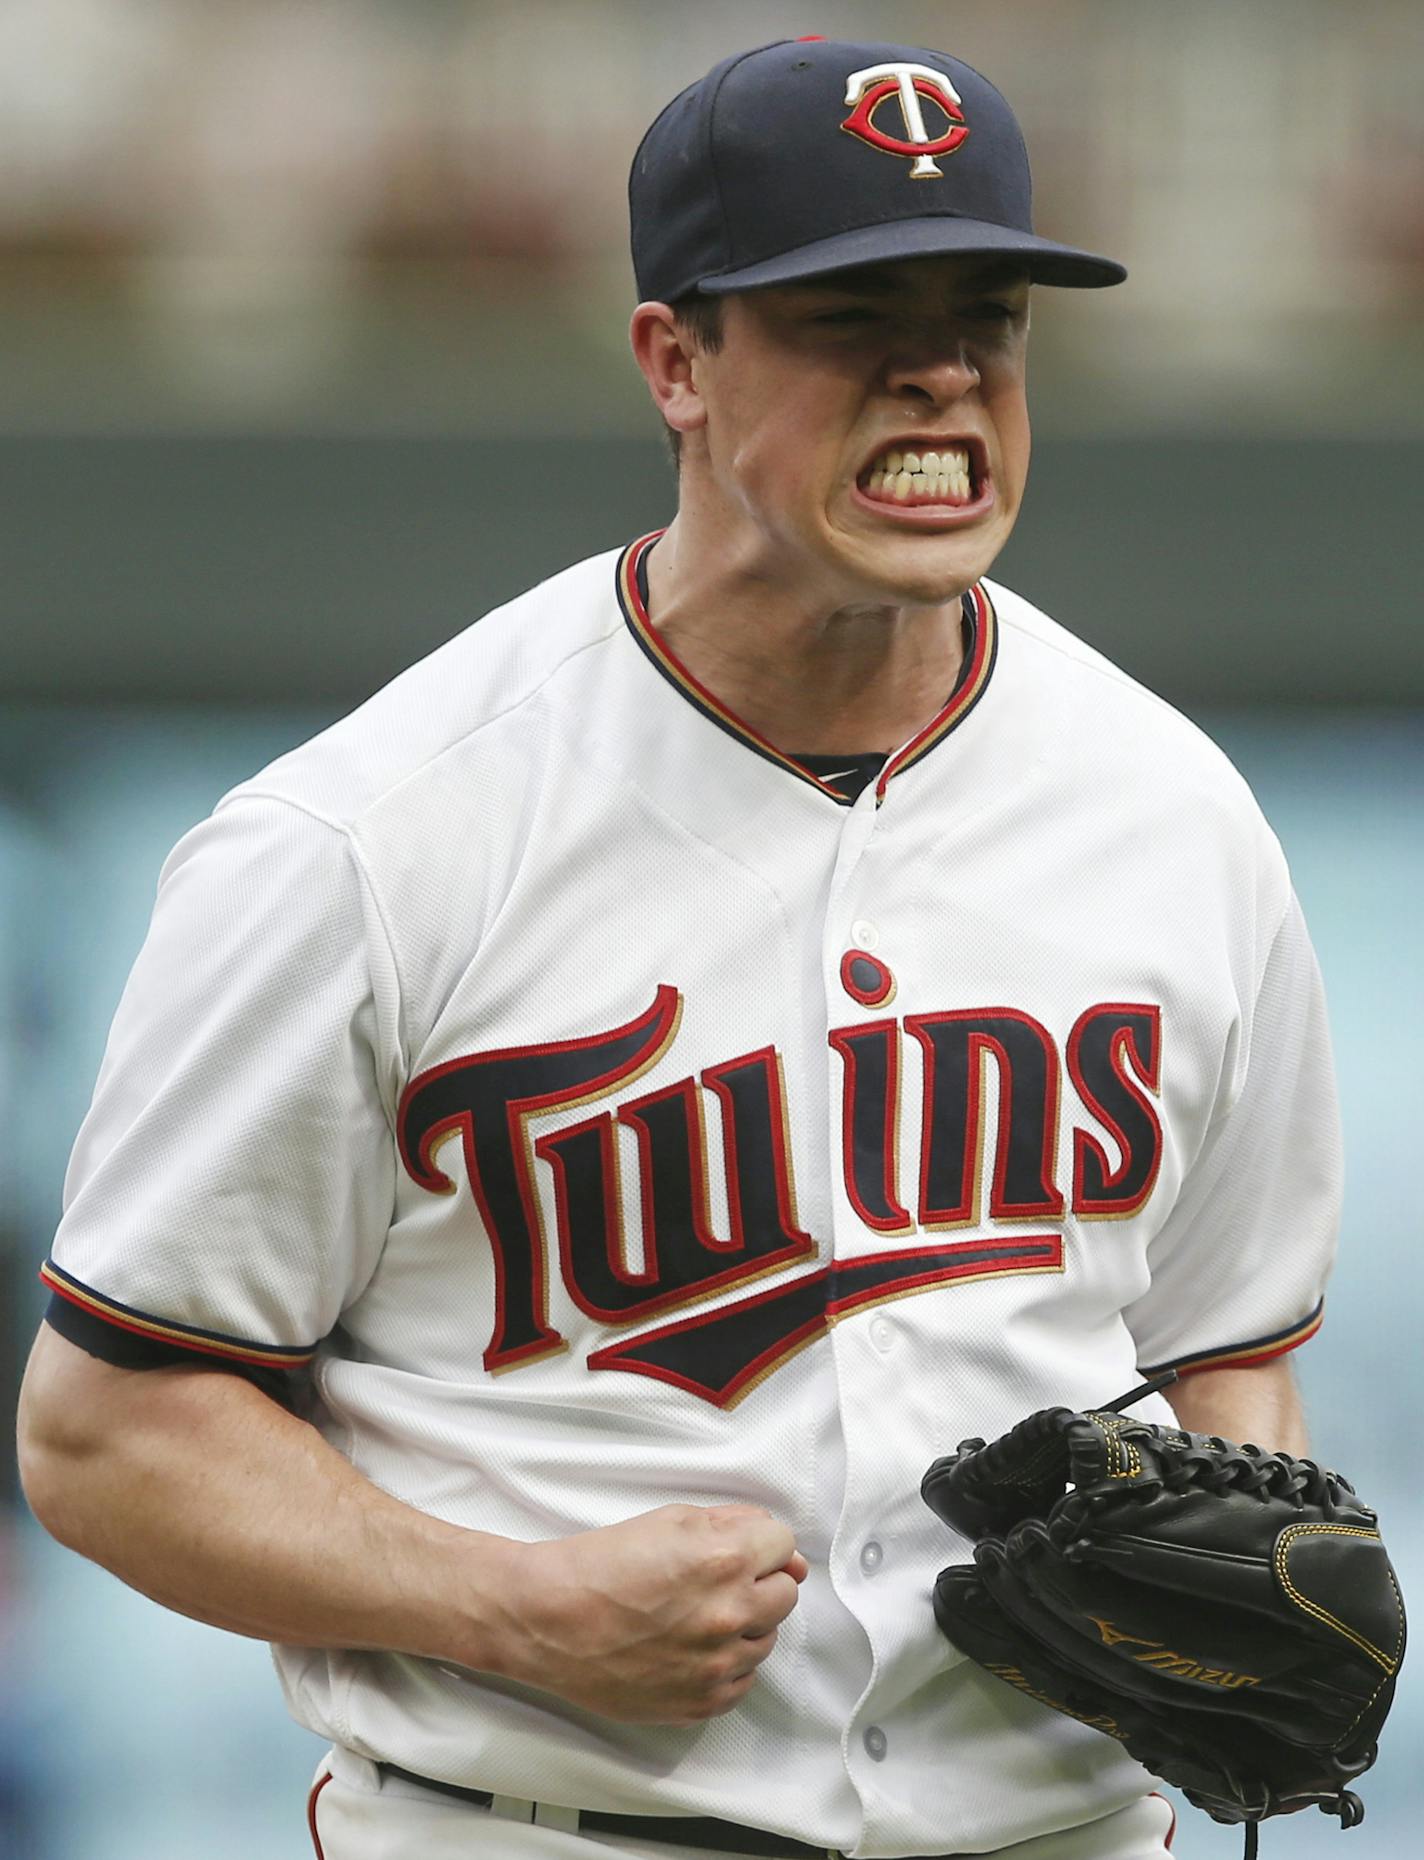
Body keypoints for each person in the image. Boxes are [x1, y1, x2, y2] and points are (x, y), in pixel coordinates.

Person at [16, 37, 1340, 1860]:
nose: (941, 369)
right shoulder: (372, 841)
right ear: (676, 364)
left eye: (990, 314)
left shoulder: (1174, 816)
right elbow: (110, 1435)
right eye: (852, 312)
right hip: (534, 1823)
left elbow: (1227, 1346)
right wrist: (506, 1605)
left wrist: (1228, 1557)